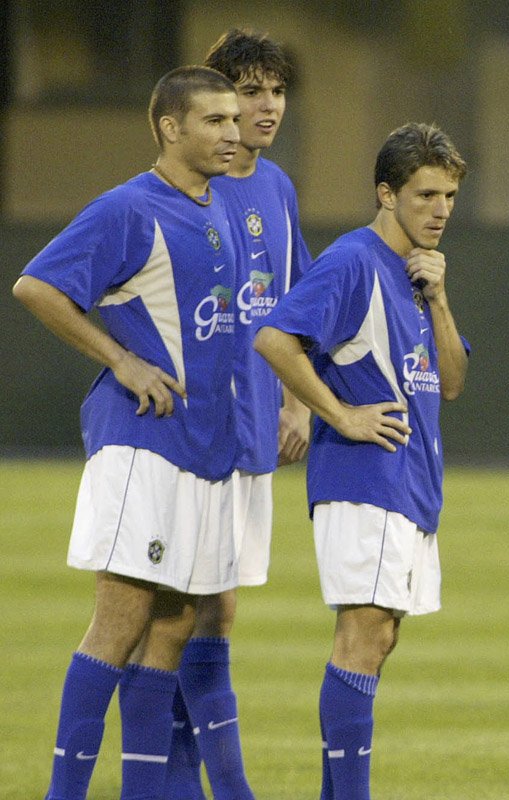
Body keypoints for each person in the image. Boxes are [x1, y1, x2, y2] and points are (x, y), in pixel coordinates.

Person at [11, 66, 242, 800]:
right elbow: (37, 285)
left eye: (234, 119)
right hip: (143, 443)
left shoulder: (220, 207)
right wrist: (122, 360)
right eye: (215, 120)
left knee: (173, 622)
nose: (232, 133)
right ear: (171, 128)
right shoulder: (128, 209)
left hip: (203, 448)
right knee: (122, 617)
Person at [253, 122, 469, 800]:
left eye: (451, 195)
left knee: (379, 641)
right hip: (365, 479)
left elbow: (454, 379)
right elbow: (275, 338)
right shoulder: (354, 261)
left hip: (410, 484)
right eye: (425, 193)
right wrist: (338, 415)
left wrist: (439, 297)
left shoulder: (418, 277)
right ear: (386, 193)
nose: (440, 209)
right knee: (362, 638)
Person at [159, 29, 313, 800]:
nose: (266, 106)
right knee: (183, 611)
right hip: (190, 431)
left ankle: (183, 781)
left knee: (216, 610)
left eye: (276, 91)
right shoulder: (184, 186)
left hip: (253, 426)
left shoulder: (276, 187)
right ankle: (216, 784)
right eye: (250, 90)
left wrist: (296, 401)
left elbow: (291, 303)